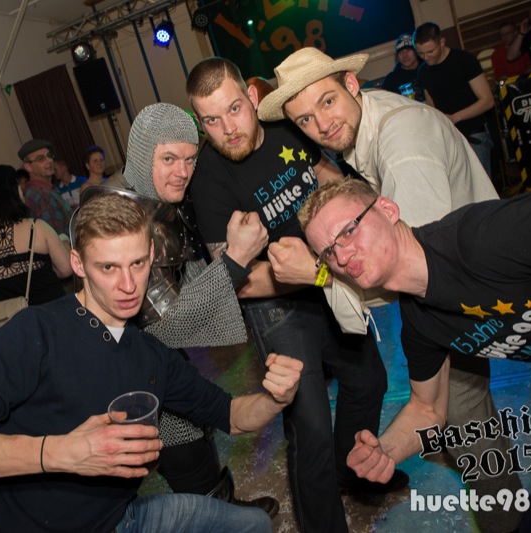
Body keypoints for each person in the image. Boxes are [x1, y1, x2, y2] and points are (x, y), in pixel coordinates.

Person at [0, 193, 304, 532]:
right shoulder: (35, 332)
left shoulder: (150, 353)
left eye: (137, 263)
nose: (128, 285)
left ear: (151, 254)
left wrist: (275, 398)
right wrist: (61, 453)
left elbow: (231, 415)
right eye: (108, 268)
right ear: (78, 264)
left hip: (124, 518)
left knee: (252, 524)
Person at [257, 46, 522, 532]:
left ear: (351, 84)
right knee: (457, 420)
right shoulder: (369, 127)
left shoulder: (403, 143)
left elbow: (413, 270)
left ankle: (507, 521)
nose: (321, 125)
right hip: (458, 295)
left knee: (468, 419)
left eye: (327, 102)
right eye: (305, 119)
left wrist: (318, 272)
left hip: (469, 299)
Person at [297, 179, 531, 533]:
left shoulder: (482, 237)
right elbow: (428, 409)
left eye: (349, 231)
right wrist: (385, 451)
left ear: (387, 210)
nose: (341, 257)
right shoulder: (420, 324)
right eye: (328, 253)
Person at [186, 56, 404, 533]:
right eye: (211, 120)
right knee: (311, 428)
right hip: (278, 304)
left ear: (252, 97)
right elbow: (238, 281)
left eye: (234, 109)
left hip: (326, 278)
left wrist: (353, 228)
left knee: (368, 379)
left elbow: (327, 175)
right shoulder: (208, 179)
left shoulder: (286, 127)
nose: (228, 129)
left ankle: (351, 471)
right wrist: (307, 274)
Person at [80, 103, 277, 515]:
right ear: (142, 155)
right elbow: (168, 325)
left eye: (189, 160)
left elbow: (180, 280)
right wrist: (235, 261)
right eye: (169, 159)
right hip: (122, 365)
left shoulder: (152, 199)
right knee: (177, 437)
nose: (182, 172)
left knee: (194, 427)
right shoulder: (120, 219)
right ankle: (219, 518)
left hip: (149, 353)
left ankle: (223, 508)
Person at [0, 165, 72, 320]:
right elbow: (66, 269)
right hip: (53, 316)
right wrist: (63, 243)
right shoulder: (37, 227)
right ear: (12, 192)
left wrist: (0, 313)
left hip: (13, 327)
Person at [414, 22, 495, 177]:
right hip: (448, 140)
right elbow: (431, 104)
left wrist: (455, 117)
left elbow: (487, 100)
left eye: (430, 51)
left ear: (442, 42)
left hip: (474, 135)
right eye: (421, 53)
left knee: (482, 187)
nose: (426, 57)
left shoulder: (464, 60)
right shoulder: (423, 71)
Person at [19, 139, 73, 237]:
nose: (49, 161)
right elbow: (58, 237)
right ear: (28, 167)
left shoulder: (43, 189)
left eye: (49, 156)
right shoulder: (42, 194)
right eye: (41, 159)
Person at [381, 33, 425, 102]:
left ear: (416, 51)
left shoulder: (427, 69)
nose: (405, 55)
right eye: (400, 52)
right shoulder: (391, 80)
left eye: (408, 50)